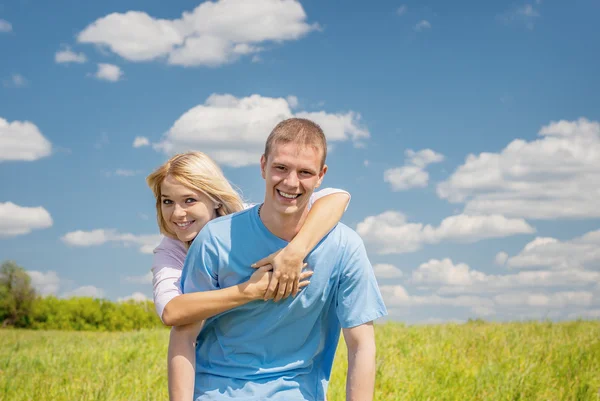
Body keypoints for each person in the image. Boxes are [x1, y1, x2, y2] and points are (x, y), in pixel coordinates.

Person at [180, 118, 387, 401]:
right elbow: (184, 331)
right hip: (215, 392)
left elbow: (361, 344)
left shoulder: (344, 247)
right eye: (281, 168)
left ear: (321, 175)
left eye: (305, 172)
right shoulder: (216, 237)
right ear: (263, 165)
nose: (291, 182)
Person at [146, 151, 351, 400]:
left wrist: (294, 252)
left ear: (215, 199)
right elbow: (172, 312)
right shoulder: (170, 249)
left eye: (189, 200)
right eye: (167, 202)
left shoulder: (249, 220)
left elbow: (336, 197)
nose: (177, 213)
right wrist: (250, 290)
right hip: (217, 378)